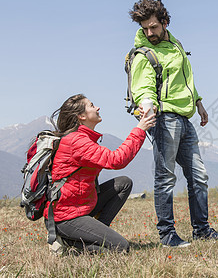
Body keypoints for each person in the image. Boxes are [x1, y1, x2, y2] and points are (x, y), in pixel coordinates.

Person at [128, 0, 218, 247]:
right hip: (164, 119)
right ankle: (167, 235)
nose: (149, 32)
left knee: (199, 176)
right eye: (145, 28)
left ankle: (202, 230)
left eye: (153, 27)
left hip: (185, 118)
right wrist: (147, 107)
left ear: (164, 22)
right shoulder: (143, 54)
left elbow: (186, 79)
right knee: (165, 178)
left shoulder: (175, 45)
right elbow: (143, 88)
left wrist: (199, 103)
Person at [44, 94, 156, 254]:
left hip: (81, 207)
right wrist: (140, 129)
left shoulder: (83, 138)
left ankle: (92, 235)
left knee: (123, 183)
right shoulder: (77, 142)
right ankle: (70, 245)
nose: (97, 108)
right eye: (91, 105)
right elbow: (116, 160)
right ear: (81, 116)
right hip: (66, 217)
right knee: (121, 248)